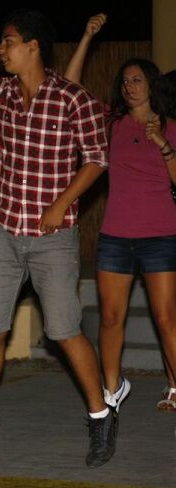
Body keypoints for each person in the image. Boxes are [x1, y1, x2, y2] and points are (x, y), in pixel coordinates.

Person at [0, 9, 113, 468]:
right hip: (5, 229)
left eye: (7, 41)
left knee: (64, 331)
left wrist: (61, 203)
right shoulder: (2, 92)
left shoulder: (72, 99)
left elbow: (96, 159)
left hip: (54, 236)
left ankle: (100, 416)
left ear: (33, 46)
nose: (0, 50)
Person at [65, 15, 176, 417]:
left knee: (166, 319)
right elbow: (71, 87)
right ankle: (112, 389)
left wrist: (162, 143)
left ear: (151, 85)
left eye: (137, 80)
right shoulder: (110, 124)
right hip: (116, 236)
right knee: (111, 318)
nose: (129, 86)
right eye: (125, 81)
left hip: (162, 235)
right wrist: (86, 35)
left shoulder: (172, 127)